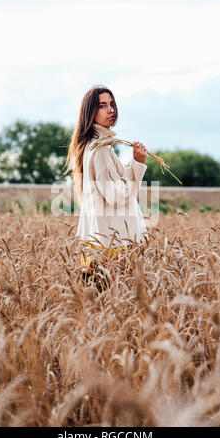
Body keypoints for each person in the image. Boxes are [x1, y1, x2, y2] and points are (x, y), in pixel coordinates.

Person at [63, 85, 148, 287]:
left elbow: (112, 184)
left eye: (112, 104)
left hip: (97, 242)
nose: (110, 110)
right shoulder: (100, 149)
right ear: (90, 112)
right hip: (111, 243)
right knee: (113, 304)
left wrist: (135, 163)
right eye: (102, 106)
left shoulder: (92, 145)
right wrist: (137, 164)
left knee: (96, 307)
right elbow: (117, 196)